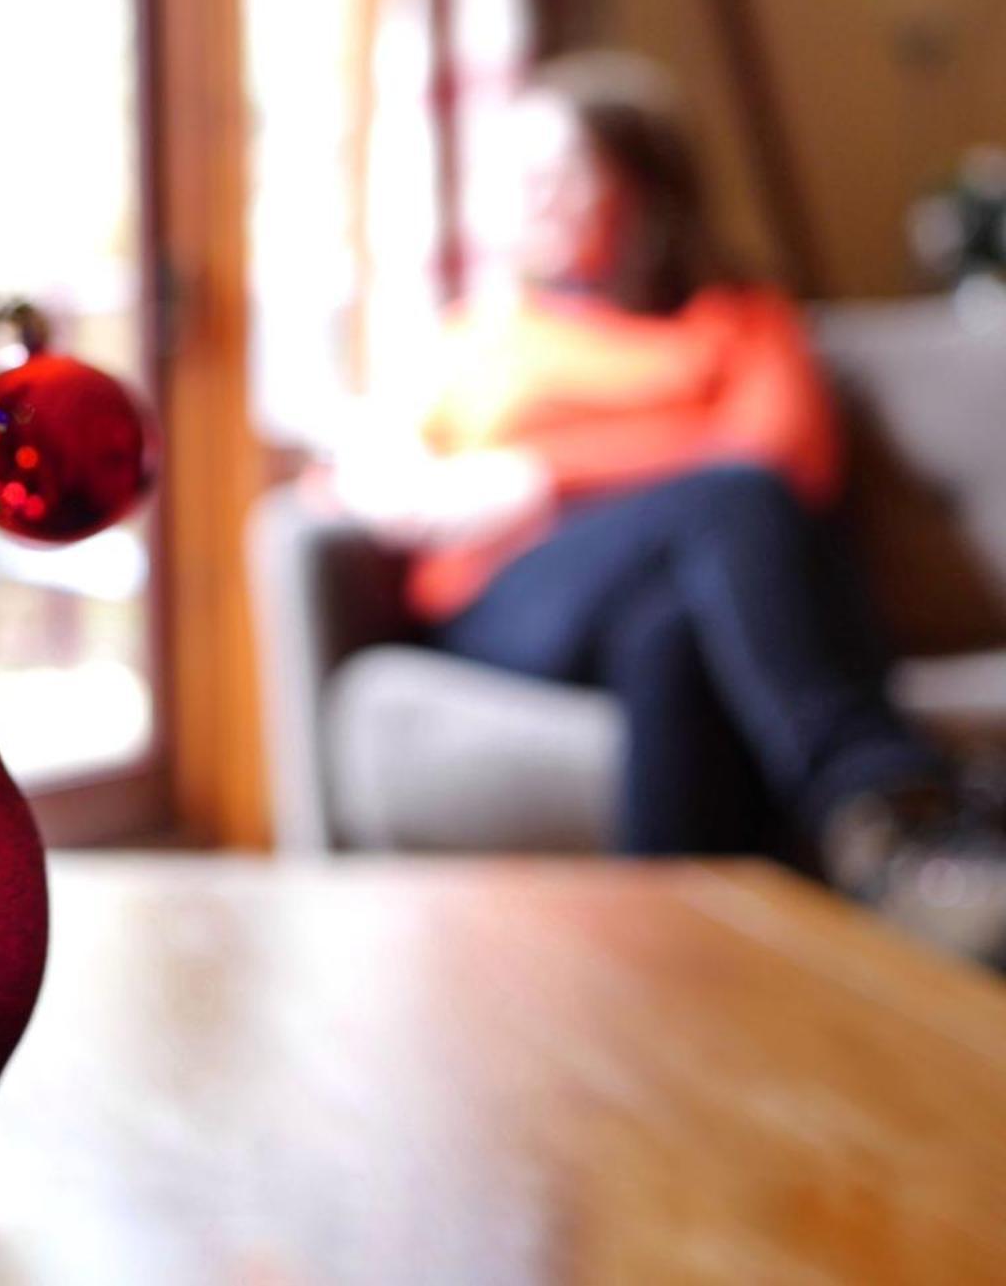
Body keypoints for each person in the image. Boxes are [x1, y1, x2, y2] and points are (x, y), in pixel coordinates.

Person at [348, 52, 1005, 962]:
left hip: (666, 591)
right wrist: (443, 481)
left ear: (645, 190)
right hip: (511, 603)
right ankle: (889, 811)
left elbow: (786, 457)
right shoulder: (484, 334)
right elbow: (370, 474)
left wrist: (539, 475)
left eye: (560, 172)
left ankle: (674, 957)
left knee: (673, 625)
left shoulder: (739, 320)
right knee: (726, 502)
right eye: (518, 175)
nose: (531, 198)